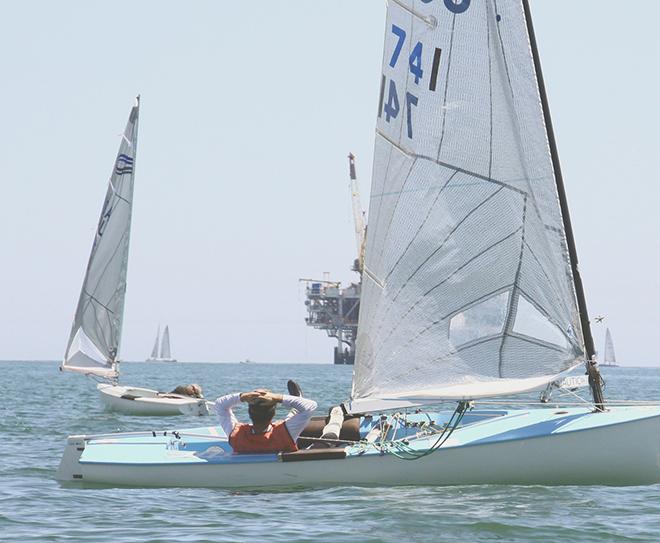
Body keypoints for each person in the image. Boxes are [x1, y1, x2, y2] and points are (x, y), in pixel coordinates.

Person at [214, 386, 317, 454]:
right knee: (333, 413)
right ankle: (296, 402)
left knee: (289, 422)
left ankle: (294, 408)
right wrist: (276, 397)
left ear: (249, 412)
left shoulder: (235, 434)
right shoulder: (286, 432)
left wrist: (243, 396)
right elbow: (310, 406)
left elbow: (219, 404)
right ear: (273, 413)